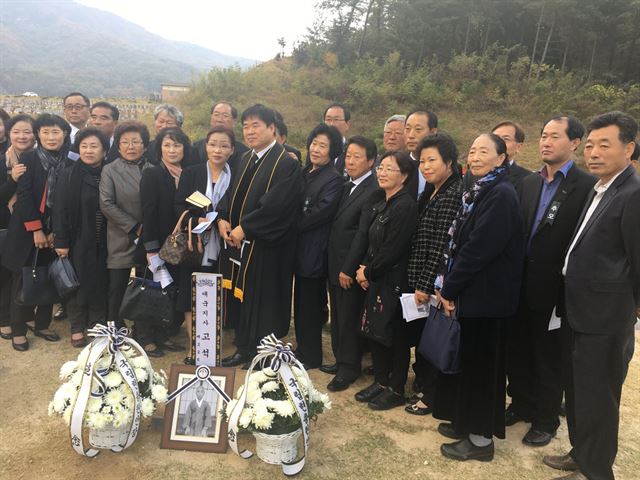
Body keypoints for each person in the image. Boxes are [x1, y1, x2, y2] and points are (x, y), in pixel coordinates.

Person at [543, 111, 640, 480]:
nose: (594, 153)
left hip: (606, 317)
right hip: (579, 310)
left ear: (628, 148)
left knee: (600, 397)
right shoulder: (602, 188)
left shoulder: (633, 194)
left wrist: (629, 308)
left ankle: (596, 471)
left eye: (605, 145)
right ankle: (581, 452)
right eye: (590, 145)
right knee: (580, 391)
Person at [434, 133, 524, 462]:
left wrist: (449, 287)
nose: (475, 157)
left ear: (501, 158)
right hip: (476, 296)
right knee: (470, 366)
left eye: (484, 151)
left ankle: (481, 441)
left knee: (483, 371)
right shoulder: (480, 191)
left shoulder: (500, 194)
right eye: (472, 151)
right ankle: (465, 422)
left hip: (489, 300)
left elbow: (477, 250)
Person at [506, 116, 596, 447]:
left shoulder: (586, 187)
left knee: (548, 357)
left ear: (574, 143)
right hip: (519, 284)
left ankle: (546, 419)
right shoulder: (528, 183)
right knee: (517, 350)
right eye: (543, 135)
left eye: (554, 136)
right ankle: (520, 403)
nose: (546, 142)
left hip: (555, 290)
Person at [217, 104, 303, 368]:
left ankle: (265, 351)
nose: (250, 131)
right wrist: (223, 218)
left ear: (272, 128)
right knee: (243, 295)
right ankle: (244, 347)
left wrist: (246, 228)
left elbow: (277, 205)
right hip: (241, 244)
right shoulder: (245, 158)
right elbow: (231, 195)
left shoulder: (285, 162)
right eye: (245, 126)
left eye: (256, 125)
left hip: (268, 246)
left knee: (264, 298)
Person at [2, 114, 73, 351]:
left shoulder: (71, 161)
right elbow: (25, 196)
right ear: (38, 135)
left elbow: (68, 202)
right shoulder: (30, 159)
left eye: (56, 132)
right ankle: (19, 329)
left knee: (48, 278)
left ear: (65, 134)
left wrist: (56, 233)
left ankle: (42, 325)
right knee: (22, 279)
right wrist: (37, 229)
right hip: (26, 230)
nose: (51, 137)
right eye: (45, 132)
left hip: (57, 230)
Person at [405, 133, 463, 416]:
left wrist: (425, 285)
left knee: (436, 339)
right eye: (422, 161)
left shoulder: (453, 194)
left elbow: (442, 246)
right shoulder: (432, 190)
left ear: (449, 162)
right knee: (425, 338)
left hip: (434, 283)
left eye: (432, 160)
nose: (426, 166)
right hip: (421, 276)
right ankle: (425, 387)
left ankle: (431, 395)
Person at [354, 151, 417, 409]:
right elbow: (374, 244)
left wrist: (367, 272)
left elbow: (394, 248)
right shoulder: (384, 202)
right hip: (378, 278)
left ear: (404, 175)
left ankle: (396, 387)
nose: (382, 172)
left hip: (395, 282)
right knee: (376, 332)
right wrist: (367, 269)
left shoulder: (405, 205)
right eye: (381, 167)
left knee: (396, 336)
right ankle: (380, 381)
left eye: (390, 169)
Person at [323, 136, 378, 389]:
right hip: (334, 263)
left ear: (371, 161)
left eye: (357, 156)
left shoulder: (373, 190)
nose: (351, 161)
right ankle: (340, 358)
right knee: (338, 315)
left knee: (348, 317)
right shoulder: (348, 185)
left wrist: (348, 267)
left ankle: (349, 368)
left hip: (348, 266)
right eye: (348, 155)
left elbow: (362, 234)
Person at [176, 126, 235, 363]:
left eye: (223, 145)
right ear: (205, 146)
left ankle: (211, 344)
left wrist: (222, 220)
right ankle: (194, 347)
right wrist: (196, 220)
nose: (217, 150)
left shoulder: (237, 176)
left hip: (224, 246)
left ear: (232, 150)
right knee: (191, 295)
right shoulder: (191, 173)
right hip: (195, 244)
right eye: (213, 144)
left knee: (217, 293)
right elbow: (178, 206)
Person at [53, 128, 110, 348]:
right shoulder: (69, 174)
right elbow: (60, 210)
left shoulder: (109, 172)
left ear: (104, 150)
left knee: (99, 283)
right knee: (76, 283)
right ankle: (77, 326)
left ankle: (97, 324)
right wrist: (61, 242)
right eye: (84, 146)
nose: (88, 150)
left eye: (94, 146)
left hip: (105, 239)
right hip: (78, 238)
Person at [293, 123, 344, 369]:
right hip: (299, 248)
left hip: (314, 250)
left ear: (332, 150)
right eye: (314, 143)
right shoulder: (306, 172)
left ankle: (311, 355)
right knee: (300, 303)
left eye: (323, 146)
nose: (316, 149)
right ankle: (302, 348)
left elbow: (318, 213)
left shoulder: (333, 179)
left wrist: (289, 223)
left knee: (311, 305)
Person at [140, 127, 192, 357]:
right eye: (167, 145)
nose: (172, 150)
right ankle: (145, 337)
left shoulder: (189, 173)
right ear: (159, 148)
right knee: (153, 289)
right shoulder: (152, 174)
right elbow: (147, 212)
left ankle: (164, 335)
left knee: (171, 291)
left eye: (177, 145)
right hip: (159, 244)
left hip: (179, 244)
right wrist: (150, 248)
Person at [99, 121, 150, 340]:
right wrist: (134, 226)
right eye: (125, 142)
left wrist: (148, 230)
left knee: (145, 285)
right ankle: (114, 330)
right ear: (118, 147)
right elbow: (106, 203)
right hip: (120, 235)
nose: (131, 146)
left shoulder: (154, 169)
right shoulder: (110, 170)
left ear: (145, 146)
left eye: (136, 142)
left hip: (149, 237)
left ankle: (143, 330)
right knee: (117, 286)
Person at [0, 115, 34, 342]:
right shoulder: (3, 160)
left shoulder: (39, 159)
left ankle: (24, 315)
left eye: (27, 131)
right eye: (16, 131)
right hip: (5, 224)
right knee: (7, 274)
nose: (22, 136)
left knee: (27, 273)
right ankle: (5, 319)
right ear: (9, 134)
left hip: (31, 225)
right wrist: (12, 179)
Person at [463, 121, 532, 191]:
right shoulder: (471, 174)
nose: (499, 143)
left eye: (506, 139)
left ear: (519, 147)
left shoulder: (527, 179)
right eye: (495, 138)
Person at [192, 101, 249, 171]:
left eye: (225, 116)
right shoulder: (196, 147)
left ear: (234, 122)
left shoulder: (244, 153)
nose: (219, 119)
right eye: (216, 115)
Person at [403, 109, 438, 200]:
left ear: (433, 132)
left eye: (418, 129)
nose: (411, 135)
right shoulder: (398, 165)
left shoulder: (445, 168)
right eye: (407, 129)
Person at [323, 103, 351, 176]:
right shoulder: (315, 150)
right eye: (328, 119)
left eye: (336, 119)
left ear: (347, 124)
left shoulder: (351, 151)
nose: (332, 124)